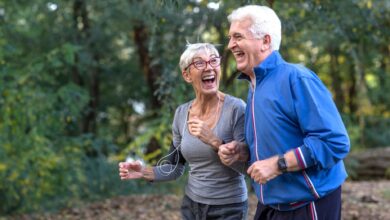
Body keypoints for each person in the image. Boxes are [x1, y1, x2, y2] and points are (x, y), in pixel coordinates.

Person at [218, 5, 350, 220]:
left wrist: (278, 164)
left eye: (238, 36)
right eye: (230, 37)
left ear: (265, 41)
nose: (231, 44)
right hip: (271, 205)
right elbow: (280, 140)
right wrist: (245, 152)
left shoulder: (296, 78)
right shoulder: (254, 86)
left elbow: (334, 142)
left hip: (308, 203)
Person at [119, 43, 249, 220]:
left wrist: (215, 142)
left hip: (229, 207)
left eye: (213, 61)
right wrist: (144, 172)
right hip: (192, 205)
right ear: (187, 75)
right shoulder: (181, 113)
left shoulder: (236, 109)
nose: (209, 67)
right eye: (199, 63)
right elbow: (174, 167)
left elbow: (247, 167)